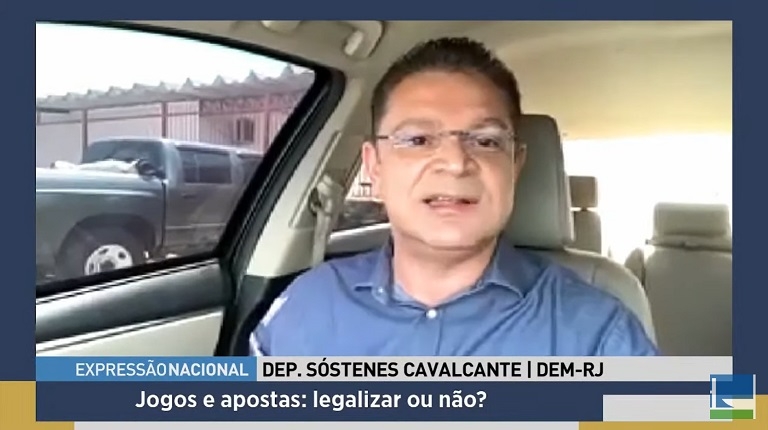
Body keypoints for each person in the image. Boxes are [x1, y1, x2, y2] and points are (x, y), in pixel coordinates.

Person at [250, 37, 658, 356]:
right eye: (418, 139)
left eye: (485, 141)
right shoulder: (306, 303)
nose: (455, 162)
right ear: (375, 167)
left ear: (514, 166)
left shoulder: (599, 333)